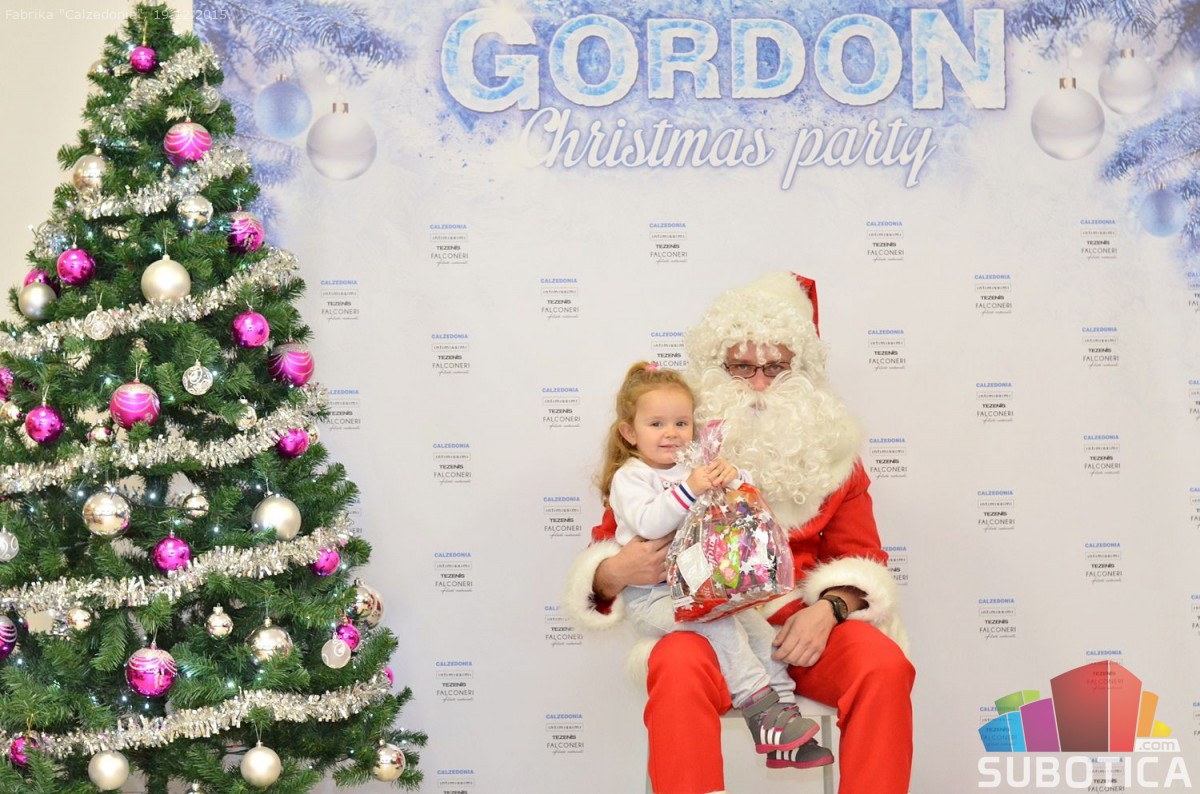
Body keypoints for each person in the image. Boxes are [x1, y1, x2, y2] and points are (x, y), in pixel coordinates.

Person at [564, 272, 914, 794]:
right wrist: (615, 571)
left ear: (802, 372)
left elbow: (862, 559)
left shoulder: (835, 459)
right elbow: (613, 546)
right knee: (676, 663)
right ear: (716, 369)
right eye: (742, 366)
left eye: (776, 366)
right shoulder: (673, 447)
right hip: (705, 628)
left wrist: (829, 609)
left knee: (881, 664)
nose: (758, 383)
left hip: (802, 630)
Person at [601, 361, 824, 761]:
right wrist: (690, 488)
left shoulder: (692, 467)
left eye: (681, 423)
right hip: (655, 598)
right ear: (629, 433)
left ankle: (784, 719)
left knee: (759, 631)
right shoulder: (630, 478)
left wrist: (732, 475)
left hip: (703, 588)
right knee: (718, 623)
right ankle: (759, 707)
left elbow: (736, 500)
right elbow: (649, 523)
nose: (671, 432)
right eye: (656, 424)